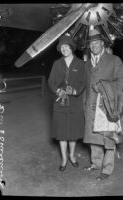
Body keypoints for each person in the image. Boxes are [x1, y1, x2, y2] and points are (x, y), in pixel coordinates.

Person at [83, 28, 123, 181]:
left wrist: (104, 87)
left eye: (96, 42)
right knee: (93, 136)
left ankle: (107, 169)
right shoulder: (87, 63)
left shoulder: (114, 60)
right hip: (90, 106)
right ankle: (96, 163)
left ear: (102, 43)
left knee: (108, 138)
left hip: (107, 106)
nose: (93, 46)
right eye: (91, 44)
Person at [48, 34, 86, 171]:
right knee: (62, 132)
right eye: (61, 47)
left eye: (66, 46)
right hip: (60, 103)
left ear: (71, 48)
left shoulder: (80, 64)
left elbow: (83, 82)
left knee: (73, 132)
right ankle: (64, 159)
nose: (64, 49)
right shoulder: (57, 64)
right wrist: (58, 91)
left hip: (75, 103)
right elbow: (51, 82)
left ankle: (72, 156)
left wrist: (75, 91)